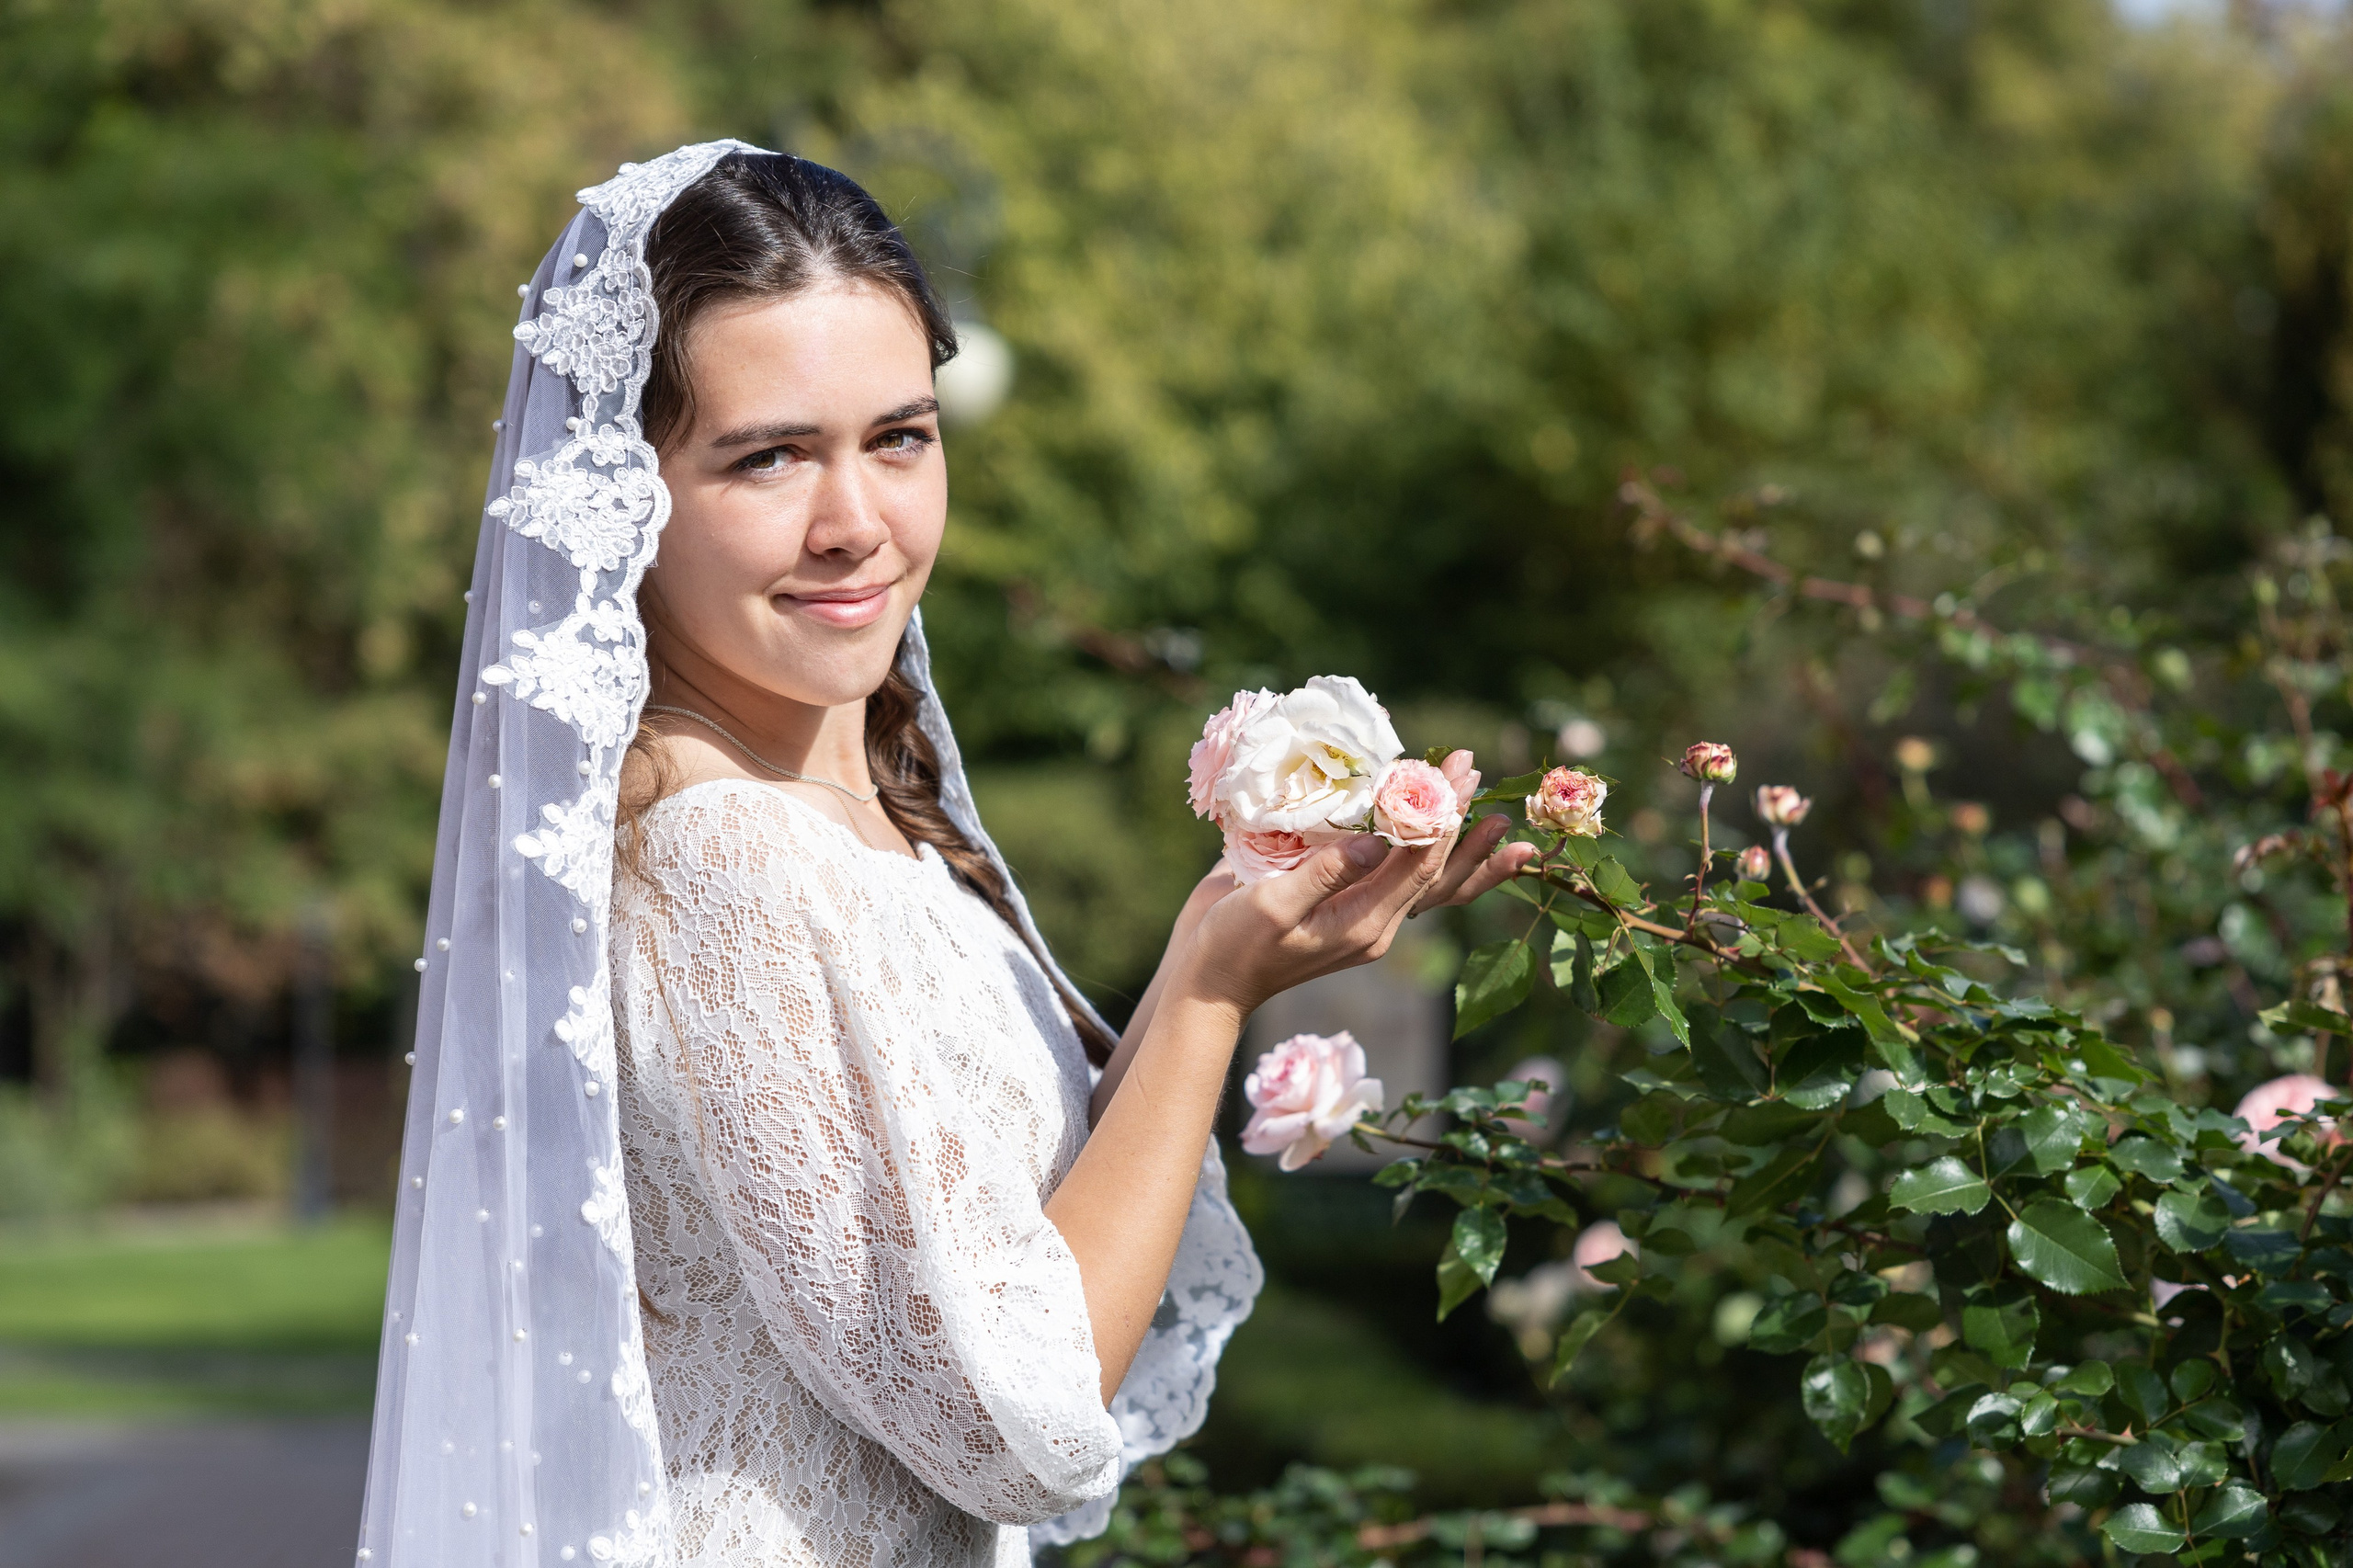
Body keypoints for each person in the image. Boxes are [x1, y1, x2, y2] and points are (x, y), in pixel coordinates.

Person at [357, 142, 1533, 1568]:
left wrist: (1224, 934)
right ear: (628, 496)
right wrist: (1215, 994)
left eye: (899, 436)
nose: (856, 523)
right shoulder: (727, 865)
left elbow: (1007, 1241)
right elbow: (1015, 1414)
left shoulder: (872, 833)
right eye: (770, 454)